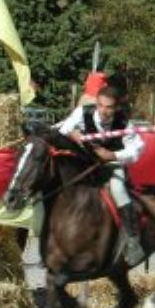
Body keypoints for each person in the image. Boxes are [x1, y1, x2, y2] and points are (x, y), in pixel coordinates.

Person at [58, 85, 146, 265]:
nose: (103, 111)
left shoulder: (124, 123)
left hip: (111, 163)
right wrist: (74, 134)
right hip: (86, 161)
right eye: (100, 105)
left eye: (109, 107)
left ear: (116, 107)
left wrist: (113, 155)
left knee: (118, 188)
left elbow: (137, 150)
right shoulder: (82, 112)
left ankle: (133, 239)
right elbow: (63, 130)